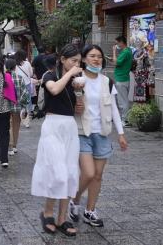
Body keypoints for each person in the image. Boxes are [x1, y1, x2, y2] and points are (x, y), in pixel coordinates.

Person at [69, 44, 128, 228]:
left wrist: (121, 133)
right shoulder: (76, 80)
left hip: (102, 133)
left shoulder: (107, 81)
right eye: (92, 56)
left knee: (98, 175)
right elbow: (65, 106)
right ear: (84, 59)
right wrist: (74, 107)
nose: (96, 59)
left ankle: (90, 211)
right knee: (88, 172)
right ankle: (75, 200)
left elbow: (114, 110)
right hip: (82, 132)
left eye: (99, 57)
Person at [31, 46, 83, 236]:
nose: (77, 65)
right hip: (53, 126)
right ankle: (47, 213)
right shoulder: (49, 75)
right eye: (73, 61)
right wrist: (70, 74)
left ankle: (62, 218)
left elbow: (76, 108)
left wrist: (80, 99)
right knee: (57, 172)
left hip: (69, 127)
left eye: (79, 61)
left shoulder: (74, 81)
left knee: (70, 172)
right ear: (62, 59)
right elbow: (53, 90)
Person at [6, 58, 29, 156]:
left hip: (5, 107)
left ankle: (9, 147)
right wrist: (23, 105)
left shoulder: (3, 78)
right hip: (17, 106)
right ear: (15, 68)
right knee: (16, 126)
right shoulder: (19, 78)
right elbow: (24, 93)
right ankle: (14, 146)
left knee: (8, 126)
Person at [110, 36, 132, 124]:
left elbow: (116, 62)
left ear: (121, 42)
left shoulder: (126, 52)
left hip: (122, 78)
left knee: (123, 100)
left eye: (117, 43)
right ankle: (124, 118)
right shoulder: (127, 51)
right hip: (122, 77)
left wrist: (114, 52)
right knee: (122, 99)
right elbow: (118, 62)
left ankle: (125, 120)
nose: (116, 45)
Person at [14, 50, 35, 128]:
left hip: (17, 84)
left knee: (17, 101)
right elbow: (31, 74)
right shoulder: (27, 63)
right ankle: (26, 122)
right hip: (27, 84)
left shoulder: (14, 64)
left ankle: (17, 119)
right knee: (27, 102)